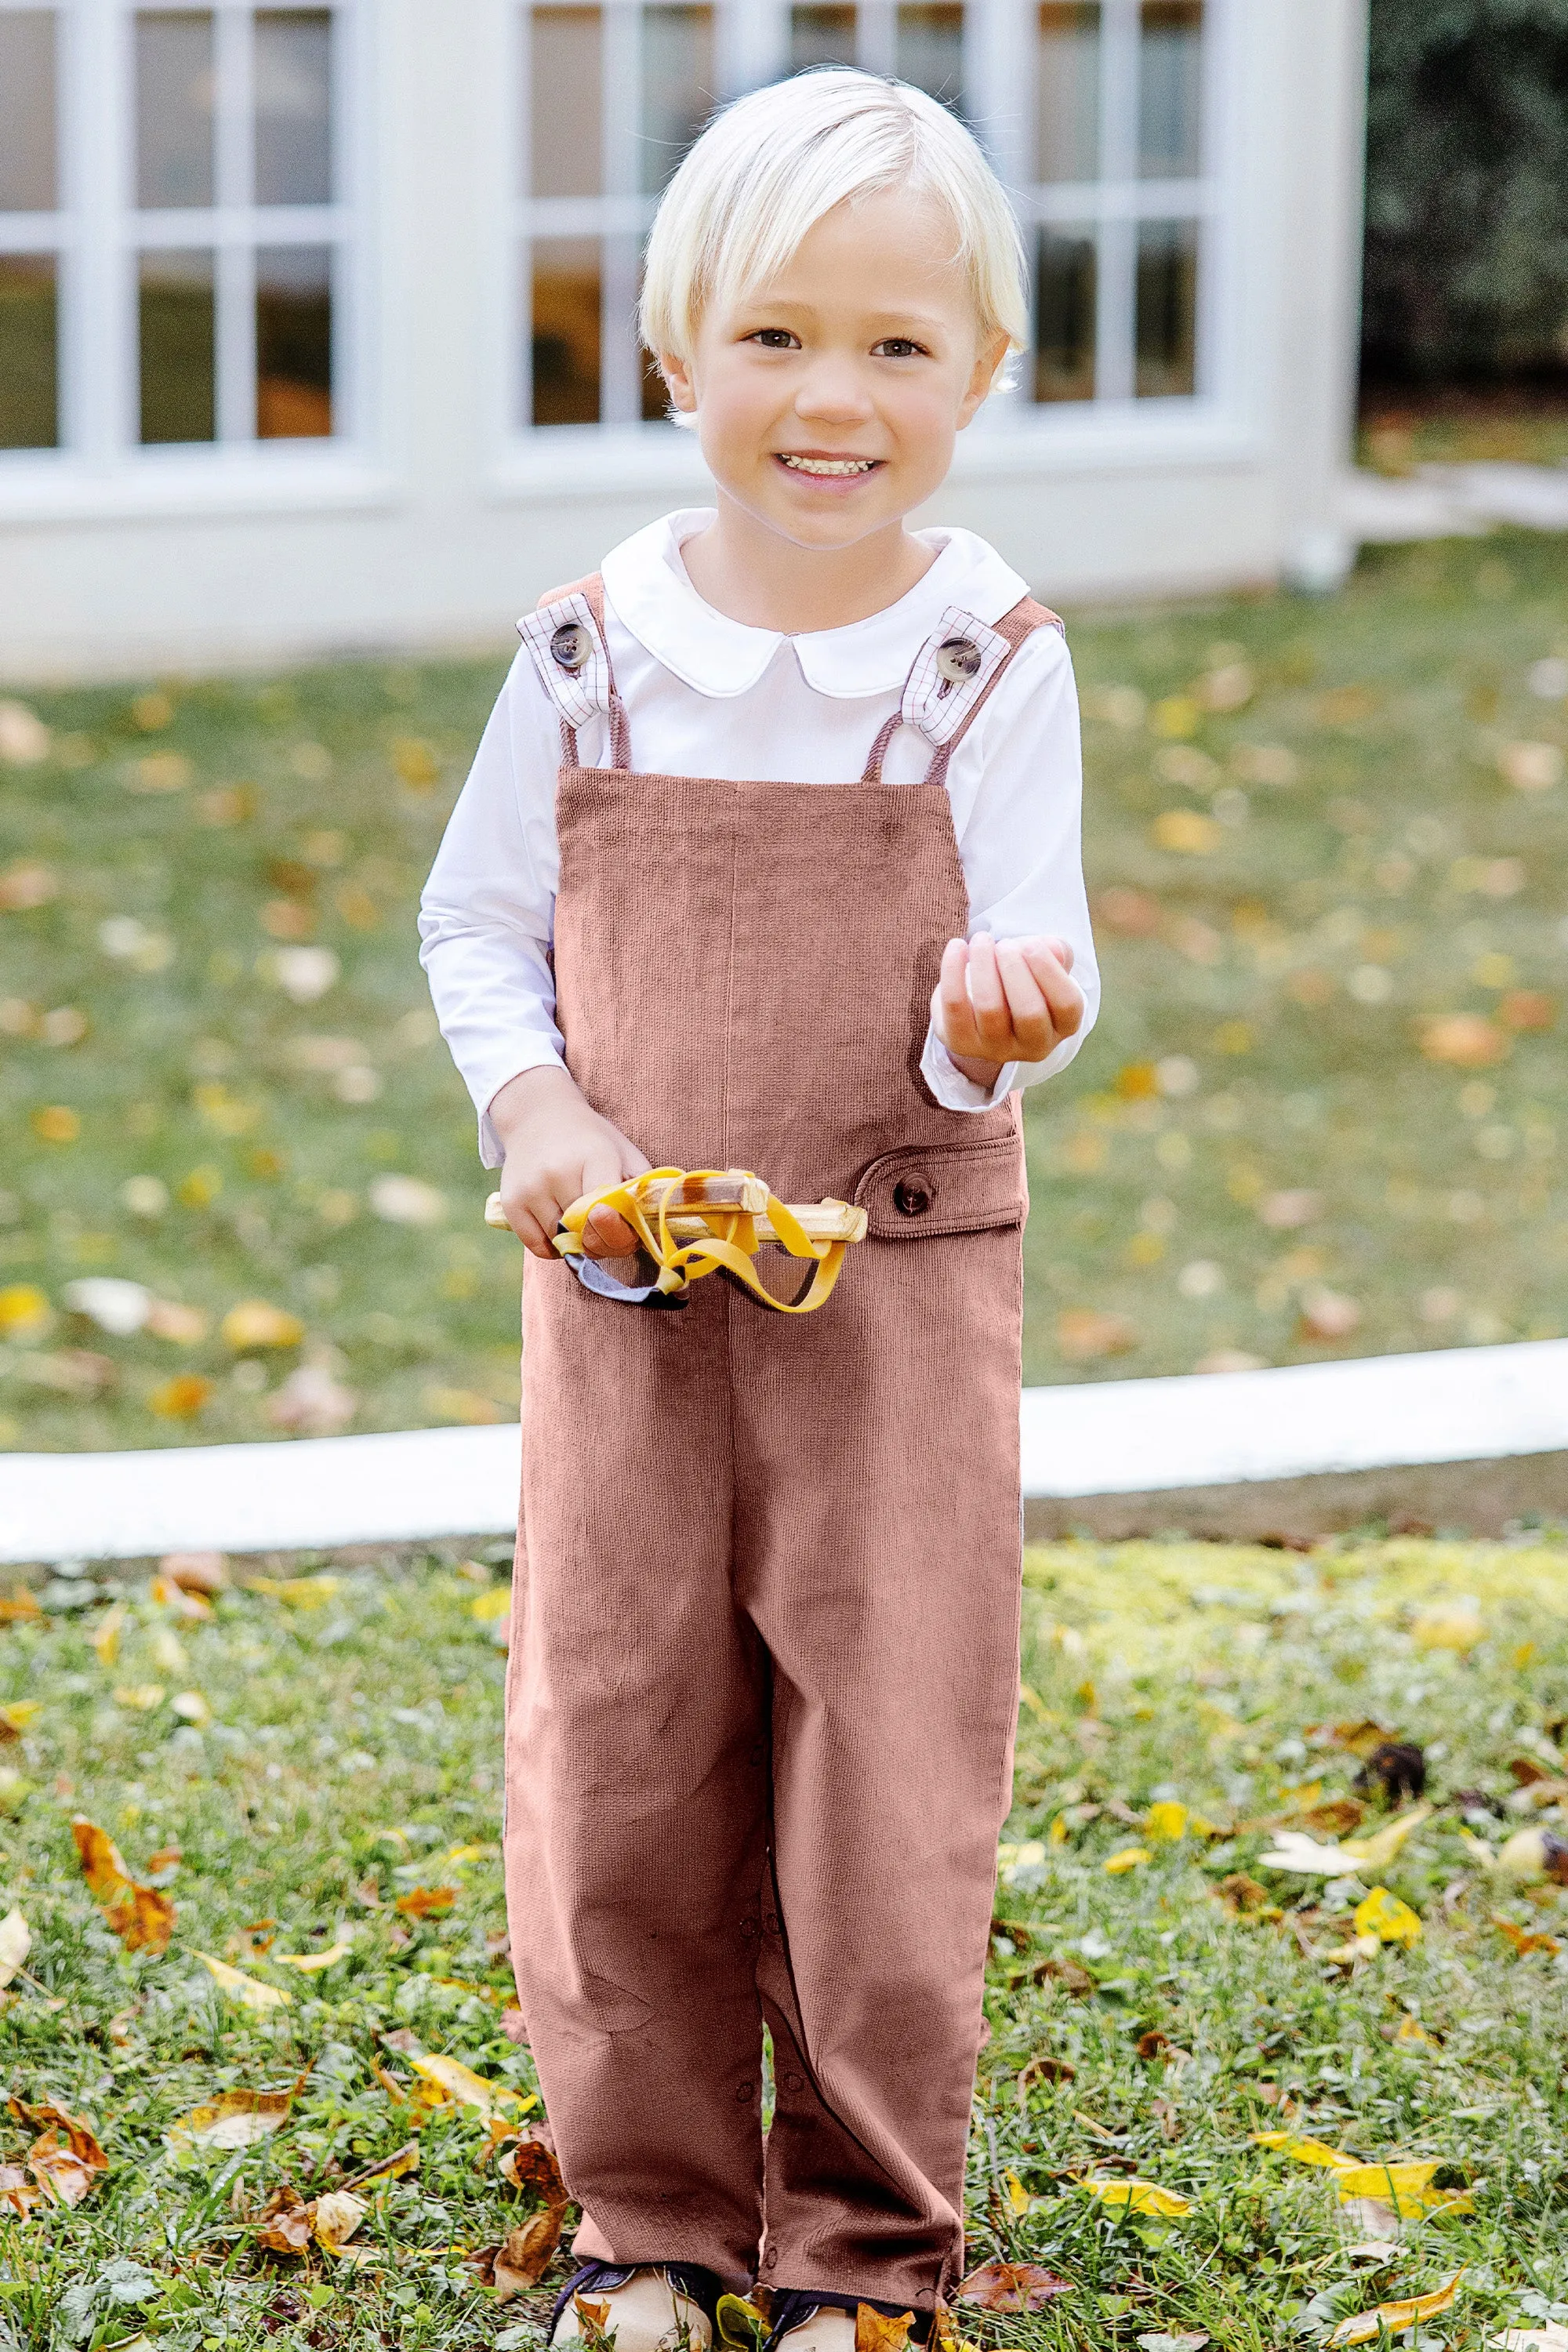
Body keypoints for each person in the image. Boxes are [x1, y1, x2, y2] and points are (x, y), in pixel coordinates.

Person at [418, 65, 1099, 2352]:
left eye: (902, 348)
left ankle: (870, 2246)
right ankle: (651, 2218)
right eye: (780, 335)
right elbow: (476, 925)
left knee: (890, 1758)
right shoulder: (590, 646)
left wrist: (1005, 1029)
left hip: (891, 1291)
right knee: (621, 1741)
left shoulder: (982, 656)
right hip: (626, 1296)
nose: (836, 397)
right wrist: (534, 1109)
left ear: (984, 377)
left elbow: (1034, 951)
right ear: (671, 352)